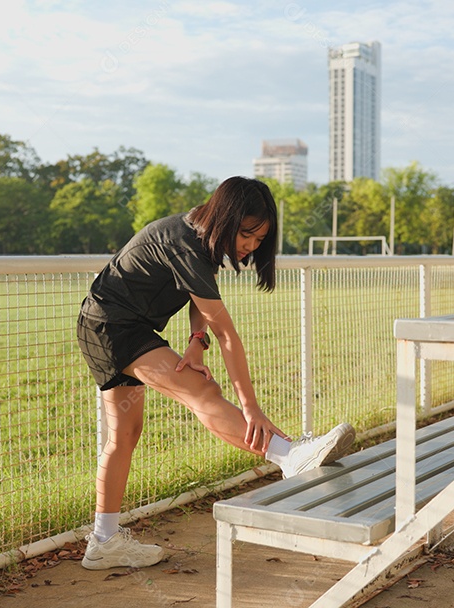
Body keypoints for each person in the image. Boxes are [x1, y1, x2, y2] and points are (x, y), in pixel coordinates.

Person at [75, 176, 355, 571]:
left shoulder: (200, 235)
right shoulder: (183, 242)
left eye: (260, 239)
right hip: (114, 327)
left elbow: (199, 300)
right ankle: (289, 456)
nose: (251, 246)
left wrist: (195, 339)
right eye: (247, 234)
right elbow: (228, 334)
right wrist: (251, 408)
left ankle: (103, 542)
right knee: (201, 392)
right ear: (226, 217)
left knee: (124, 436)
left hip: (107, 324)